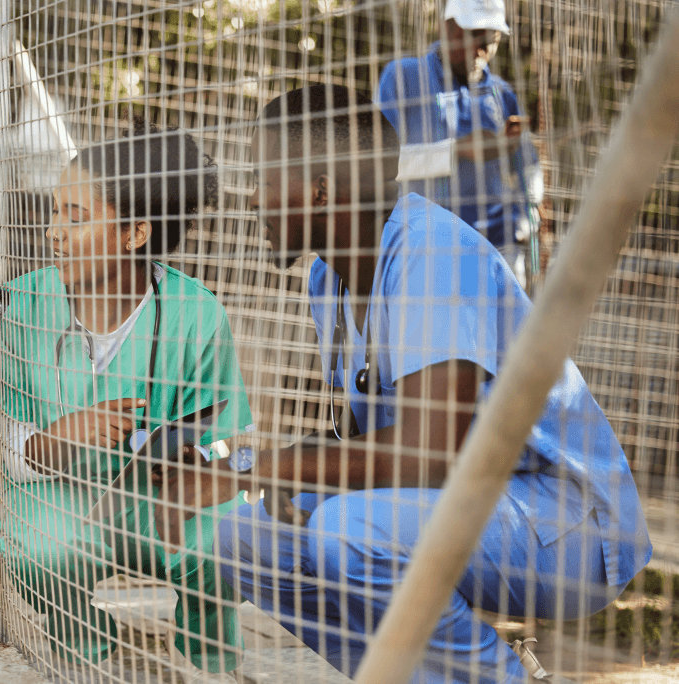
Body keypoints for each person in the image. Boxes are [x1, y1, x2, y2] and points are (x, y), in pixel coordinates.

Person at [153, 85, 652, 683]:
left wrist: (275, 469)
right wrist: (238, 467)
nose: (253, 198)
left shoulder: (431, 252)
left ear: (319, 189)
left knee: (349, 532)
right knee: (244, 538)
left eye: (264, 178)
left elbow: (424, 456)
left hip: (567, 526)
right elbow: (364, 443)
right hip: (469, 508)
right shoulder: (326, 279)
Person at [0, 119, 255, 683]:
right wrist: (59, 438)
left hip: (154, 500)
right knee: (35, 545)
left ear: (135, 233)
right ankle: (88, 650)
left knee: (231, 533)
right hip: (55, 496)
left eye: (75, 217)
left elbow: (228, 439)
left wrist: (198, 464)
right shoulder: (20, 307)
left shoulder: (197, 314)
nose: (54, 232)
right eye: (55, 211)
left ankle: (209, 660)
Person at [375, 0, 542, 288]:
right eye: (471, 34)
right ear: (446, 28)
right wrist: (457, 151)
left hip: (494, 253)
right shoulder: (404, 77)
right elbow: (378, 165)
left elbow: (528, 172)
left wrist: (523, 225)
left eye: (489, 39)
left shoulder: (501, 96)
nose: (480, 48)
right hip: (426, 250)